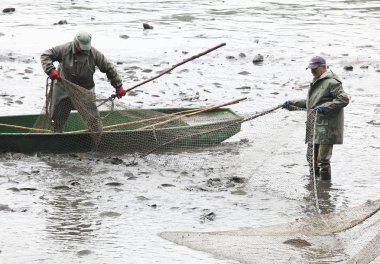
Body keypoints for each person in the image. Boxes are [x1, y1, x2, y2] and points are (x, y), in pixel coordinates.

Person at [40, 31, 126, 132]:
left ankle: (95, 136)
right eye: (81, 47)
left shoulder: (94, 53)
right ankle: (56, 136)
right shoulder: (64, 49)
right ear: (75, 43)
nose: (83, 50)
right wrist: (50, 69)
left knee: (94, 121)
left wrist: (118, 86)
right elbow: (45, 56)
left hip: (85, 91)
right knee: (56, 120)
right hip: (63, 89)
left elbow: (109, 68)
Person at [283, 56, 349, 180]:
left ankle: (324, 189)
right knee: (311, 159)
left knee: (322, 160)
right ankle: (314, 186)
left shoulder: (332, 82)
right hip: (314, 126)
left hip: (327, 127)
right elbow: (310, 103)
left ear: (324, 67)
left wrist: (325, 107)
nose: (312, 71)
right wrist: (292, 104)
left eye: (314, 68)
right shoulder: (316, 81)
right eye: (311, 69)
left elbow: (344, 99)